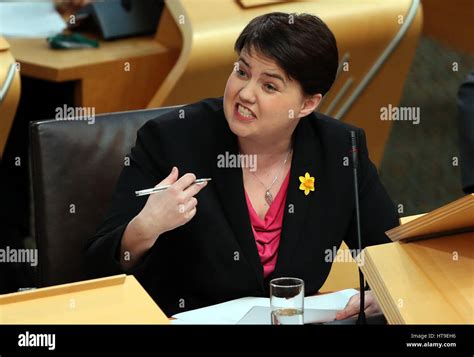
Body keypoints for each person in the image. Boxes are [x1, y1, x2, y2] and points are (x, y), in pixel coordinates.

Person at [85, 12, 399, 319]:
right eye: (242, 72)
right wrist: (146, 227)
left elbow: (393, 255)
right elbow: (95, 269)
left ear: (308, 104)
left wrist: (382, 293)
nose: (245, 93)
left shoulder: (340, 150)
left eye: (270, 86)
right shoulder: (172, 140)